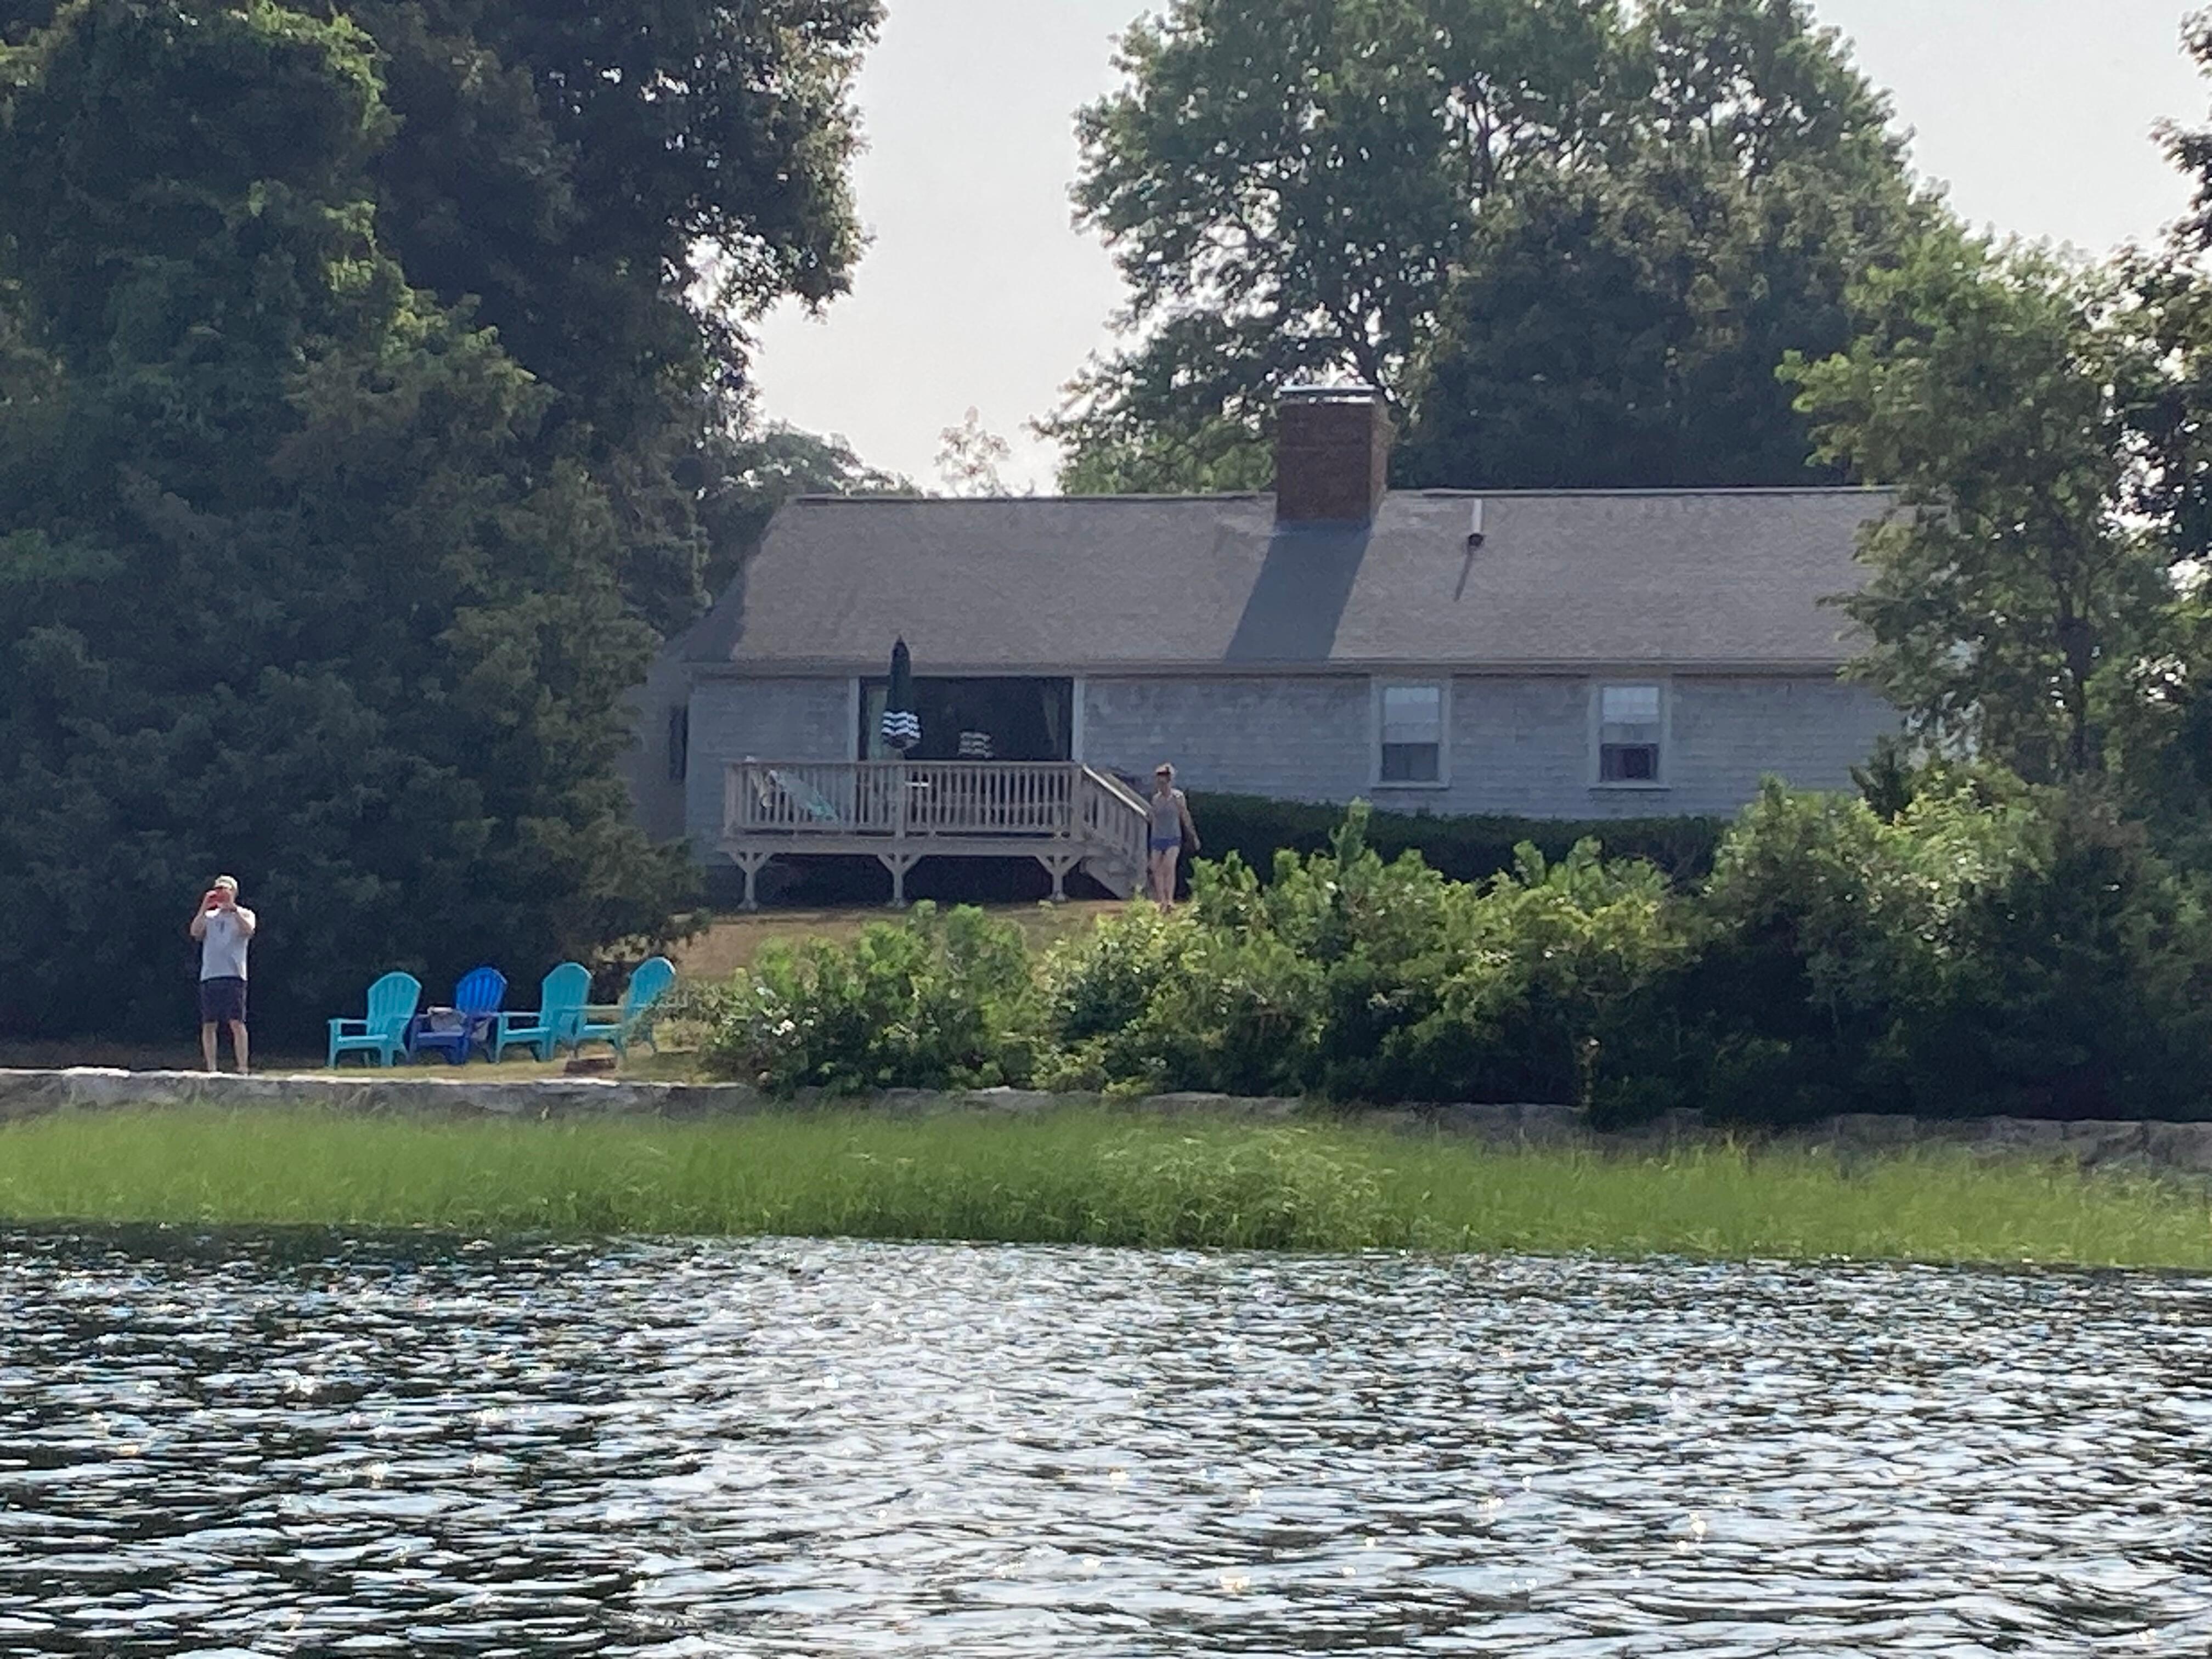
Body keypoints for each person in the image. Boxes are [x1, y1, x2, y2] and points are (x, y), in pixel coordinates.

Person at [188, 875, 257, 1073]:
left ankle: (242, 1066)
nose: (221, 893)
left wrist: (233, 909)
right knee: (209, 1023)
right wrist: (204, 907)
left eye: (225, 890)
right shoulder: (209, 917)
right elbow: (195, 932)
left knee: (237, 1022)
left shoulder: (245, 914)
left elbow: (248, 931)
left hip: (234, 975)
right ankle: (211, 1067)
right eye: (218, 890)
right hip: (210, 975)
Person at [1146, 763, 1199, 908]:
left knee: (1169, 866)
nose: (1161, 785)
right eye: (1159, 782)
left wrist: (1192, 835)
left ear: (1169, 781)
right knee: (1156, 868)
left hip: (1173, 837)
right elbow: (1152, 818)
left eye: (1163, 782)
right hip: (1157, 837)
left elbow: (1185, 817)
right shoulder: (1156, 799)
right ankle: (1161, 900)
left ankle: (1170, 899)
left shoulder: (1178, 798)